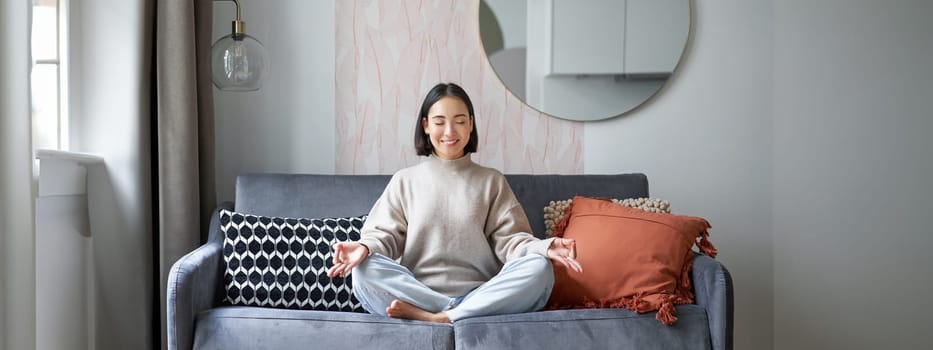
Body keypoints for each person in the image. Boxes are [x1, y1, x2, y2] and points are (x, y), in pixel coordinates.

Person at [326, 82, 582, 323]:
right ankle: (454, 312)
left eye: (459, 121)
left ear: (471, 125)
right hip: (421, 293)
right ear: (426, 125)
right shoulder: (405, 180)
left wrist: (545, 248)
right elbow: (385, 237)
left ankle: (442, 316)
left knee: (539, 269)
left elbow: (512, 241)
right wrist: (365, 247)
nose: (450, 132)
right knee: (364, 270)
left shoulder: (491, 181)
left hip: (481, 292)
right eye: (439, 122)